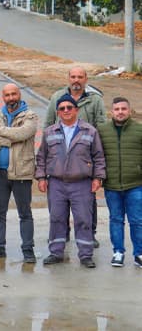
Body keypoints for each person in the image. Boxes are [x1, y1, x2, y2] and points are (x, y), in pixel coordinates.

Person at [36, 94, 106, 269]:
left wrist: (98, 178)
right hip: (56, 184)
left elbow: (99, 157)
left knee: (83, 219)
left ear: (76, 109)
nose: (66, 110)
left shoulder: (89, 131)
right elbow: (41, 157)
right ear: (58, 112)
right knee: (57, 218)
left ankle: (86, 255)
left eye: (69, 107)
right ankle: (56, 252)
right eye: (62, 108)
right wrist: (41, 177)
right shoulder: (50, 132)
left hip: (81, 183)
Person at [44, 66, 106, 247]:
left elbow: (101, 126)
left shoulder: (95, 99)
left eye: (80, 77)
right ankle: (62, 235)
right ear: (68, 78)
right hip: (60, 154)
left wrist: (97, 161)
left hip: (84, 155)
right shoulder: (57, 97)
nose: (76, 80)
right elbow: (48, 122)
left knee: (87, 202)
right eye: (73, 77)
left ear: (86, 79)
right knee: (58, 207)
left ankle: (90, 234)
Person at [0, 84, 38, 263]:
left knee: (25, 214)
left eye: (14, 94)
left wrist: (3, 131)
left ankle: (28, 250)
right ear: (3, 97)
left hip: (21, 173)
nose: (11, 97)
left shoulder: (30, 115)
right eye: (7, 95)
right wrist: (9, 141)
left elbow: (24, 133)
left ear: (19, 95)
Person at [96, 97, 142, 268]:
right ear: (111, 111)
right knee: (116, 219)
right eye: (117, 109)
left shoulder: (139, 130)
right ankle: (118, 252)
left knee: (137, 220)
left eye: (123, 108)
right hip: (112, 185)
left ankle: (139, 253)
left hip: (135, 184)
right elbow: (97, 156)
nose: (120, 112)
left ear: (129, 111)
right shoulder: (102, 131)